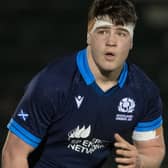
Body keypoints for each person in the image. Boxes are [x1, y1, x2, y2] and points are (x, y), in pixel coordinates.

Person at [1, 0, 165, 167]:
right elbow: (14, 154)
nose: (111, 41)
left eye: (121, 33)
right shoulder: (52, 83)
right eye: (103, 31)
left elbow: (153, 149)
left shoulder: (144, 91)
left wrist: (140, 161)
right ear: (89, 35)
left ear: (131, 42)